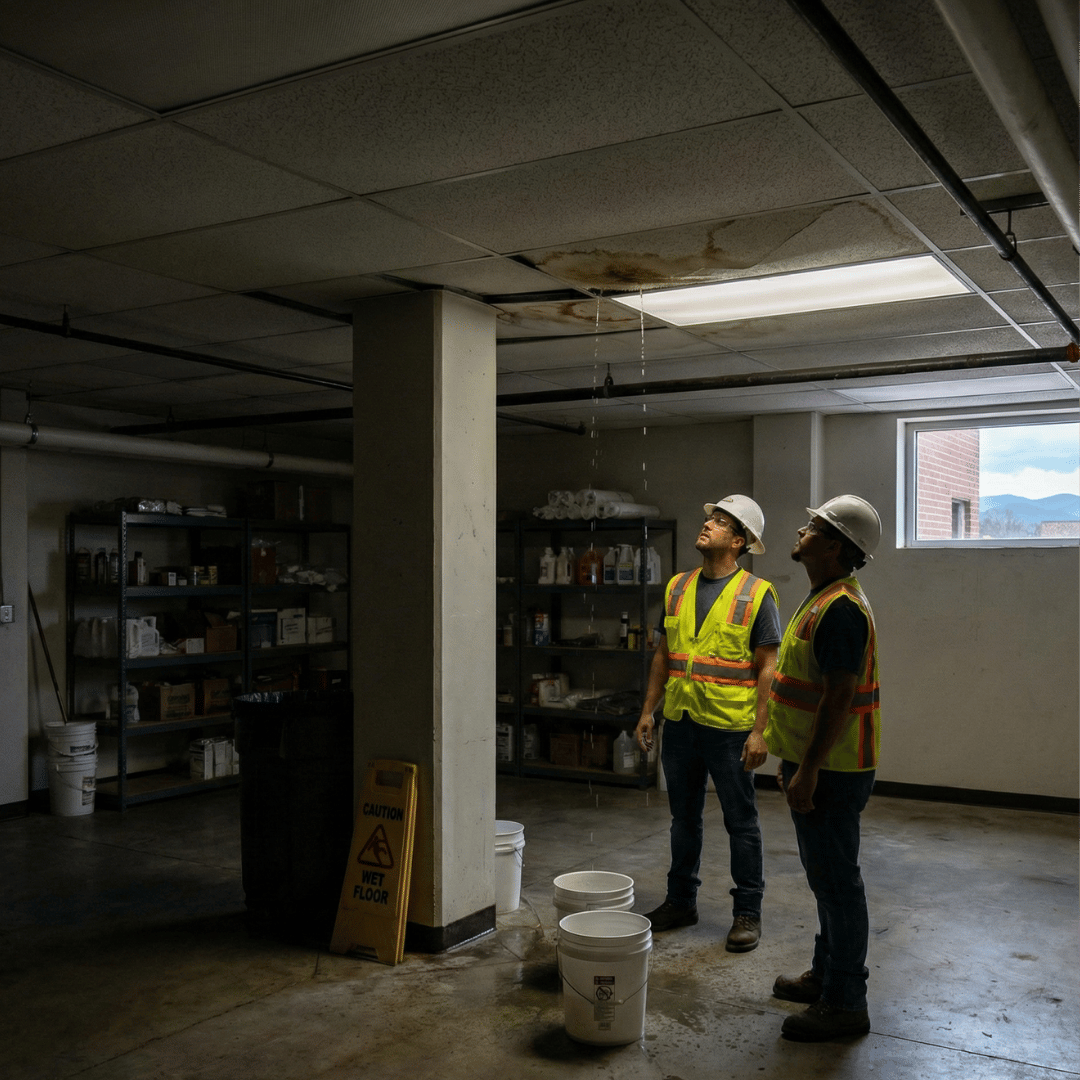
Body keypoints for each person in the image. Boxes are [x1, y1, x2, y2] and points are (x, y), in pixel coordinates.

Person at [635, 495, 781, 952]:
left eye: (720, 523)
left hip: (730, 727)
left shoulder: (757, 593)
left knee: (741, 821)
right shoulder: (677, 586)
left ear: (739, 541)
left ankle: (748, 913)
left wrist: (761, 732)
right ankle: (681, 901)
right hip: (680, 721)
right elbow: (665, 654)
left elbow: (767, 669)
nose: (707, 525)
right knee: (684, 820)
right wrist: (647, 711)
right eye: (709, 519)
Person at [763, 495, 882, 1041]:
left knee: (838, 885)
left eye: (814, 526)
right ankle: (827, 976)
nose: (802, 529)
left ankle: (845, 1003)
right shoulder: (823, 598)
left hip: (831, 771)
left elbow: (839, 698)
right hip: (816, 765)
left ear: (834, 547)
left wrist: (807, 770)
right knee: (827, 882)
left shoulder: (839, 610)